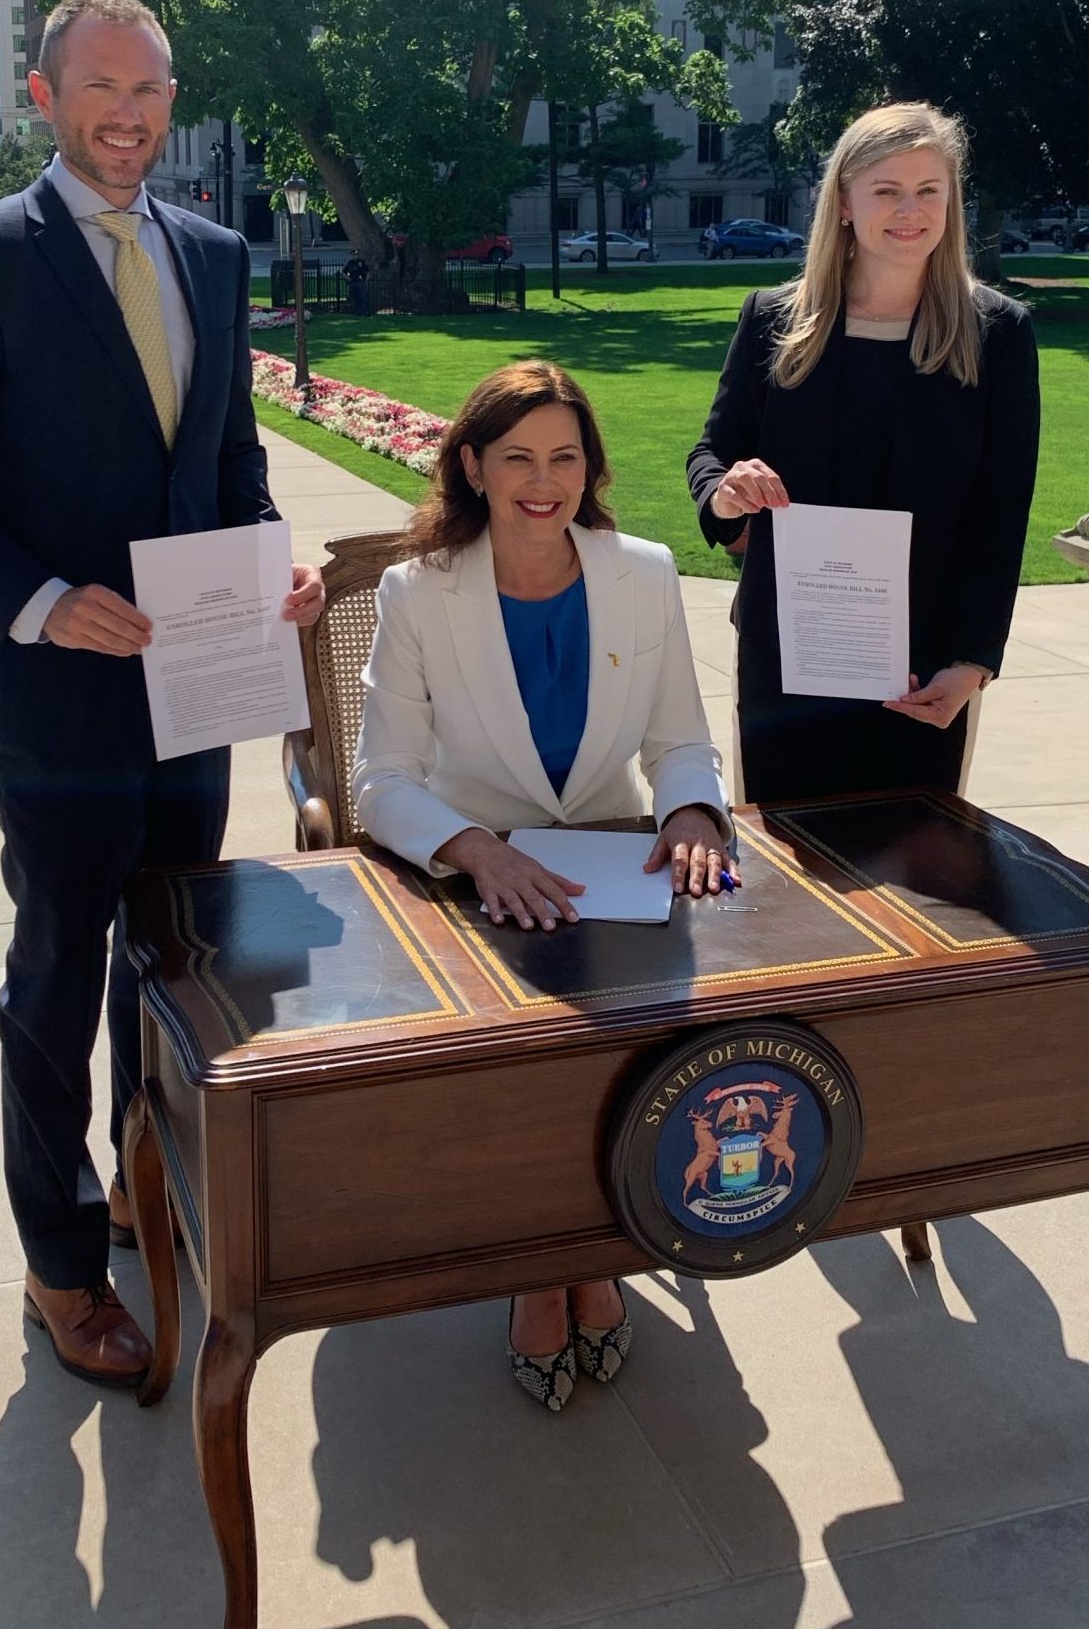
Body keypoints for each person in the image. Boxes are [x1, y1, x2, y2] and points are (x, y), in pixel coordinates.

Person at [0, 0, 325, 1391]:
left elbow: (228, 455)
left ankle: (143, 1178)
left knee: (175, 956)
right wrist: (45, 601)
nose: (130, 115)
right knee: (61, 970)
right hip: (58, 699)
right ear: (46, 94)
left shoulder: (211, 250)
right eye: (103, 89)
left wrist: (267, 565)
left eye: (152, 91)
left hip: (194, 676)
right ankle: (63, 1262)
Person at [352, 360, 733, 1411]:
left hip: (616, 861)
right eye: (516, 456)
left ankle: (595, 1250)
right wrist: (475, 850)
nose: (542, 479)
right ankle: (539, 1266)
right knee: (526, 1056)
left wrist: (693, 810)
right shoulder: (415, 590)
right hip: (476, 872)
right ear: (470, 465)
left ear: (589, 469)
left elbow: (678, 740)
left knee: (641, 1037)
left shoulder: (644, 571)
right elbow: (379, 780)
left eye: (564, 456)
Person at [686, 102, 1040, 805]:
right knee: (787, 874)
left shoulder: (995, 333)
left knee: (912, 875)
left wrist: (973, 662)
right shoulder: (773, 321)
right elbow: (713, 454)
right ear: (844, 201)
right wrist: (727, 492)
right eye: (887, 191)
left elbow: (1001, 513)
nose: (909, 211)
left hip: (922, 670)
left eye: (927, 191)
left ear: (951, 201)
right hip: (791, 652)